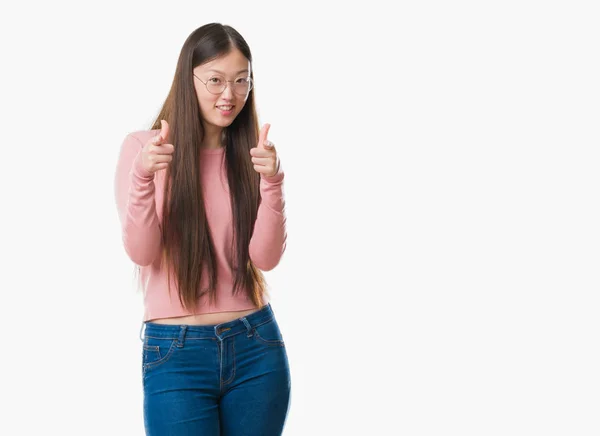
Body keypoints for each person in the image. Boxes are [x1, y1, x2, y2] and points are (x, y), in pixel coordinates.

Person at [113, 23, 291, 435]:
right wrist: (143, 178)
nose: (229, 95)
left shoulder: (252, 156)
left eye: (240, 81)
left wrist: (273, 184)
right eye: (215, 80)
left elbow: (266, 259)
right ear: (187, 78)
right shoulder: (144, 149)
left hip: (256, 347)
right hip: (176, 354)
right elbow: (142, 253)